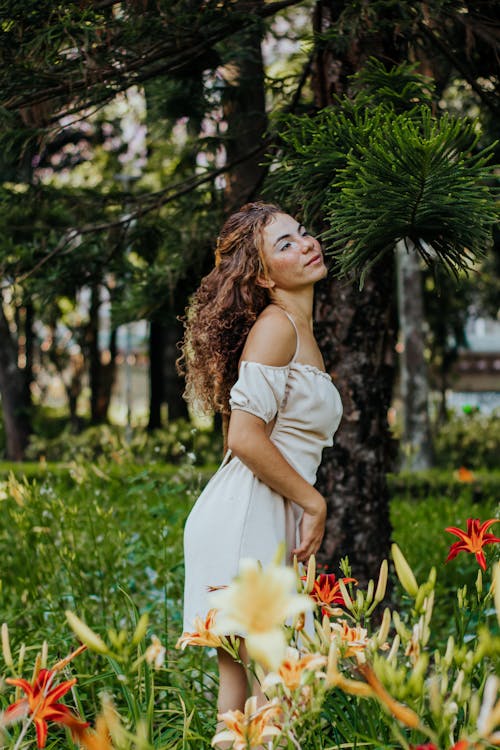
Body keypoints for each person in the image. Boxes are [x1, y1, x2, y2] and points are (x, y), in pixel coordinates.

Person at [178, 201, 343, 716]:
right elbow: (245, 439)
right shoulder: (277, 328)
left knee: (247, 703)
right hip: (246, 520)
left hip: (257, 514)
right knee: (281, 698)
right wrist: (313, 503)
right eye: (285, 245)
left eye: (302, 232)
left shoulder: (296, 326)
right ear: (265, 276)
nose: (307, 244)